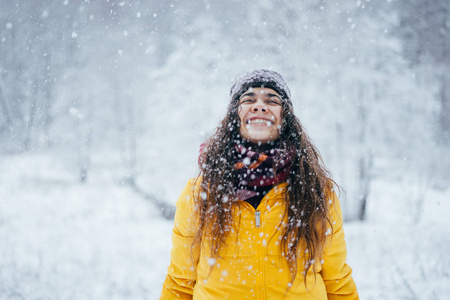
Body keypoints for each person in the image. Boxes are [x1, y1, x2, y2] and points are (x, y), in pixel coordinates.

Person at [160, 69, 359, 299]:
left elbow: (336, 280)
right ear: (235, 115)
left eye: (271, 100)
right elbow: (180, 282)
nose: (260, 106)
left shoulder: (316, 191)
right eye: (249, 99)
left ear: (285, 117)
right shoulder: (201, 191)